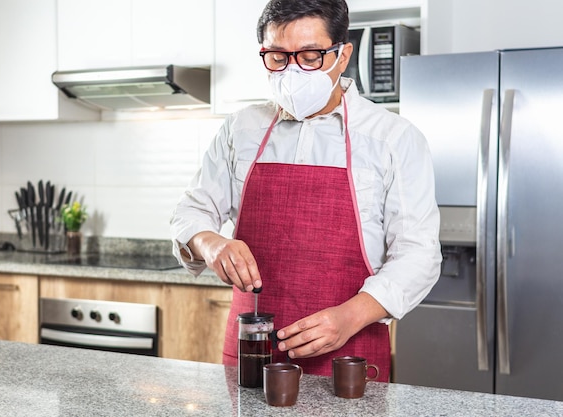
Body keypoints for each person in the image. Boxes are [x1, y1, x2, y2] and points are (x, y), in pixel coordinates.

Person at [170, 0, 441, 381]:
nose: (293, 70)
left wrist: (349, 318)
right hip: (252, 352)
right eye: (278, 57)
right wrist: (210, 242)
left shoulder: (392, 139)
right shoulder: (240, 130)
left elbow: (418, 255)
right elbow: (191, 211)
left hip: (349, 357)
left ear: (342, 56)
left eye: (310, 56)